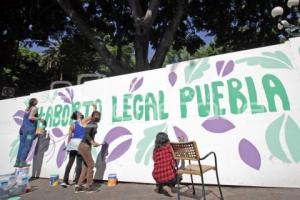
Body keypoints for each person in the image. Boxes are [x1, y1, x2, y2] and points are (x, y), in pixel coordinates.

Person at [61, 105, 97, 188]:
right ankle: (77, 182)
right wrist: (94, 109)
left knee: (70, 162)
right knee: (79, 163)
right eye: (79, 112)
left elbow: (70, 136)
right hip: (79, 143)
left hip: (73, 142)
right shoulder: (83, 121)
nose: (80, 112)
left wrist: (68, 145)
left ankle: (65, 181)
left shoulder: (72, 124)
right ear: (78, 115)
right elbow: (92, 116)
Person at [152, 132, 188, 196]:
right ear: (166, 138)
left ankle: (162, 186)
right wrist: (181, 142)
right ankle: (169, 187)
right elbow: (179, 151)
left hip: (156, 176)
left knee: (162, 176)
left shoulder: (155, 150)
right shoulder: (169, 146)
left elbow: (154, 159)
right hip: (169, 177)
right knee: (179, 175)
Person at [75, 110, 101, 193]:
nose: (98, 116)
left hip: (84, 145)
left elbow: (89, 135)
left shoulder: (93, 123)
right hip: (84, 145)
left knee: (86, 166)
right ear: (92, 116)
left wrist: (94, 142)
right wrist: (92, 142)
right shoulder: (92, 123)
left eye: (99, 115)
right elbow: (86, 134)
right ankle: (89, 186)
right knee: (91, 164)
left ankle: (78, 186)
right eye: (96, 115)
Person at [14, 98, 44, 168]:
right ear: (35, 102)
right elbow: (31, 117)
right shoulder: (34, 108)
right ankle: (22, 162)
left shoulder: (27, 108)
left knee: (21, 145)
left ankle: (17, 162)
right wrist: (39, 118)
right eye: (36, 101)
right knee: (27, 145)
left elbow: (27, 117)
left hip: (23, 129)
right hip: (29, 130)